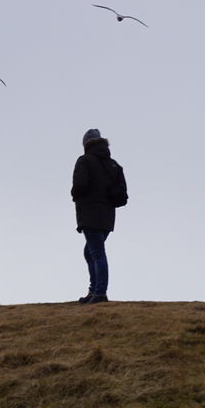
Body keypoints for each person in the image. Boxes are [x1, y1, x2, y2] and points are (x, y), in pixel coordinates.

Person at [71, 128, 127, 304]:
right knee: (90, 252)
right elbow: (122, 196)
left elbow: (80, 185)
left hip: (89, 213)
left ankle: (100, 292)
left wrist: (74, 194)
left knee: (96, 252)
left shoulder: (84, 161)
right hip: (107, 217)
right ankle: (94, 290)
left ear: (85, 144)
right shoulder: (115, 166)